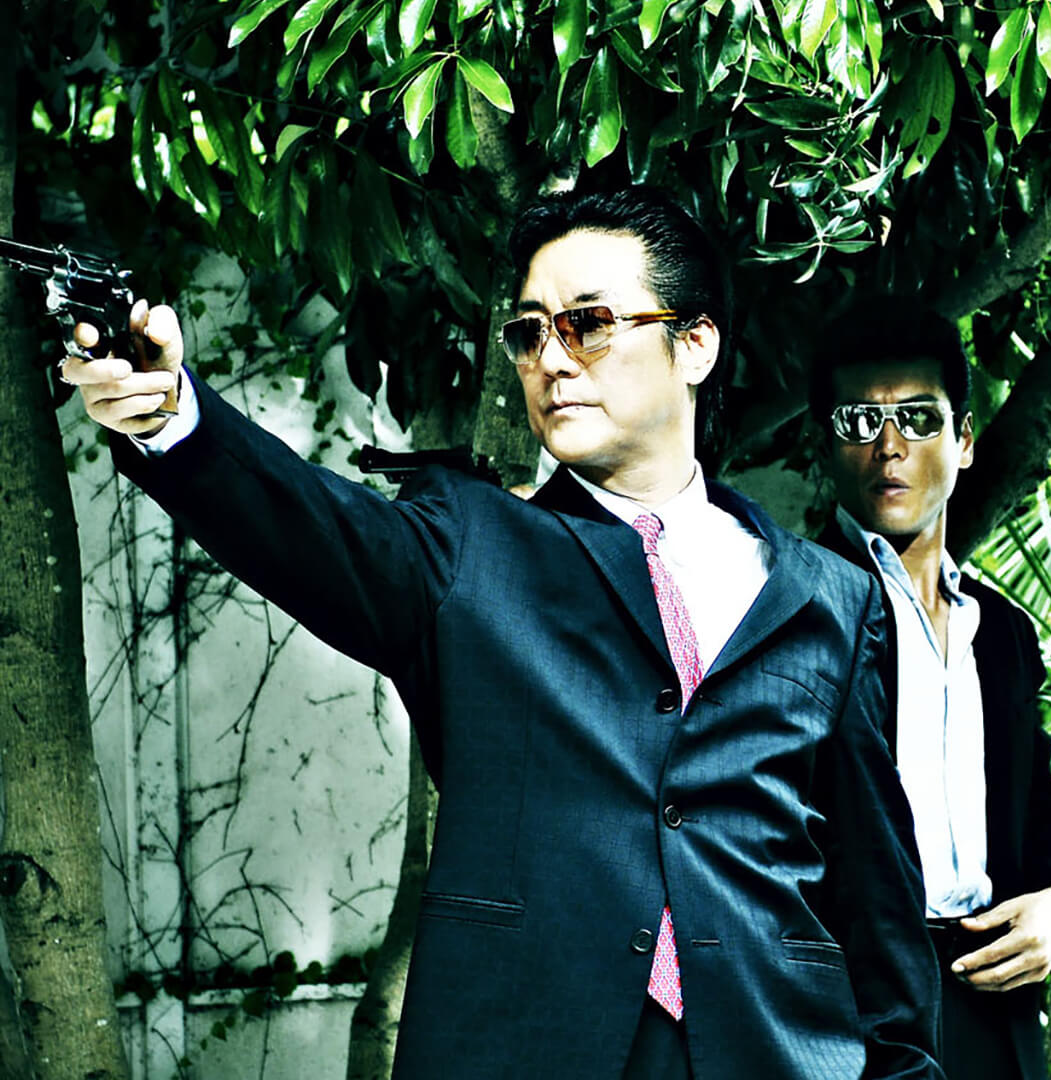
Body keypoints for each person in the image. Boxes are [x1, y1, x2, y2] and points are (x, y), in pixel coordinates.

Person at [63, 185, 943, 1080]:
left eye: (589, 325)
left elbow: (876, 896)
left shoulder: (831, 597)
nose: (552, 360)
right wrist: (172, 416)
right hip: (529, 1045)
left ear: (695, 344)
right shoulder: (468, 544)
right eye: (529, 333)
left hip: (776, 1048)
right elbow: (312, 528)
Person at [810, 305, 1051, 1080]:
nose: (889, 446)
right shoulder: (795, 610)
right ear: (824, 445)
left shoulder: (1002, 631)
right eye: (860, 421)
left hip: (995, 1002)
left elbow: (1043, 809)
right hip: (849, 1019)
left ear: (964, 440)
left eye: (917, 419)